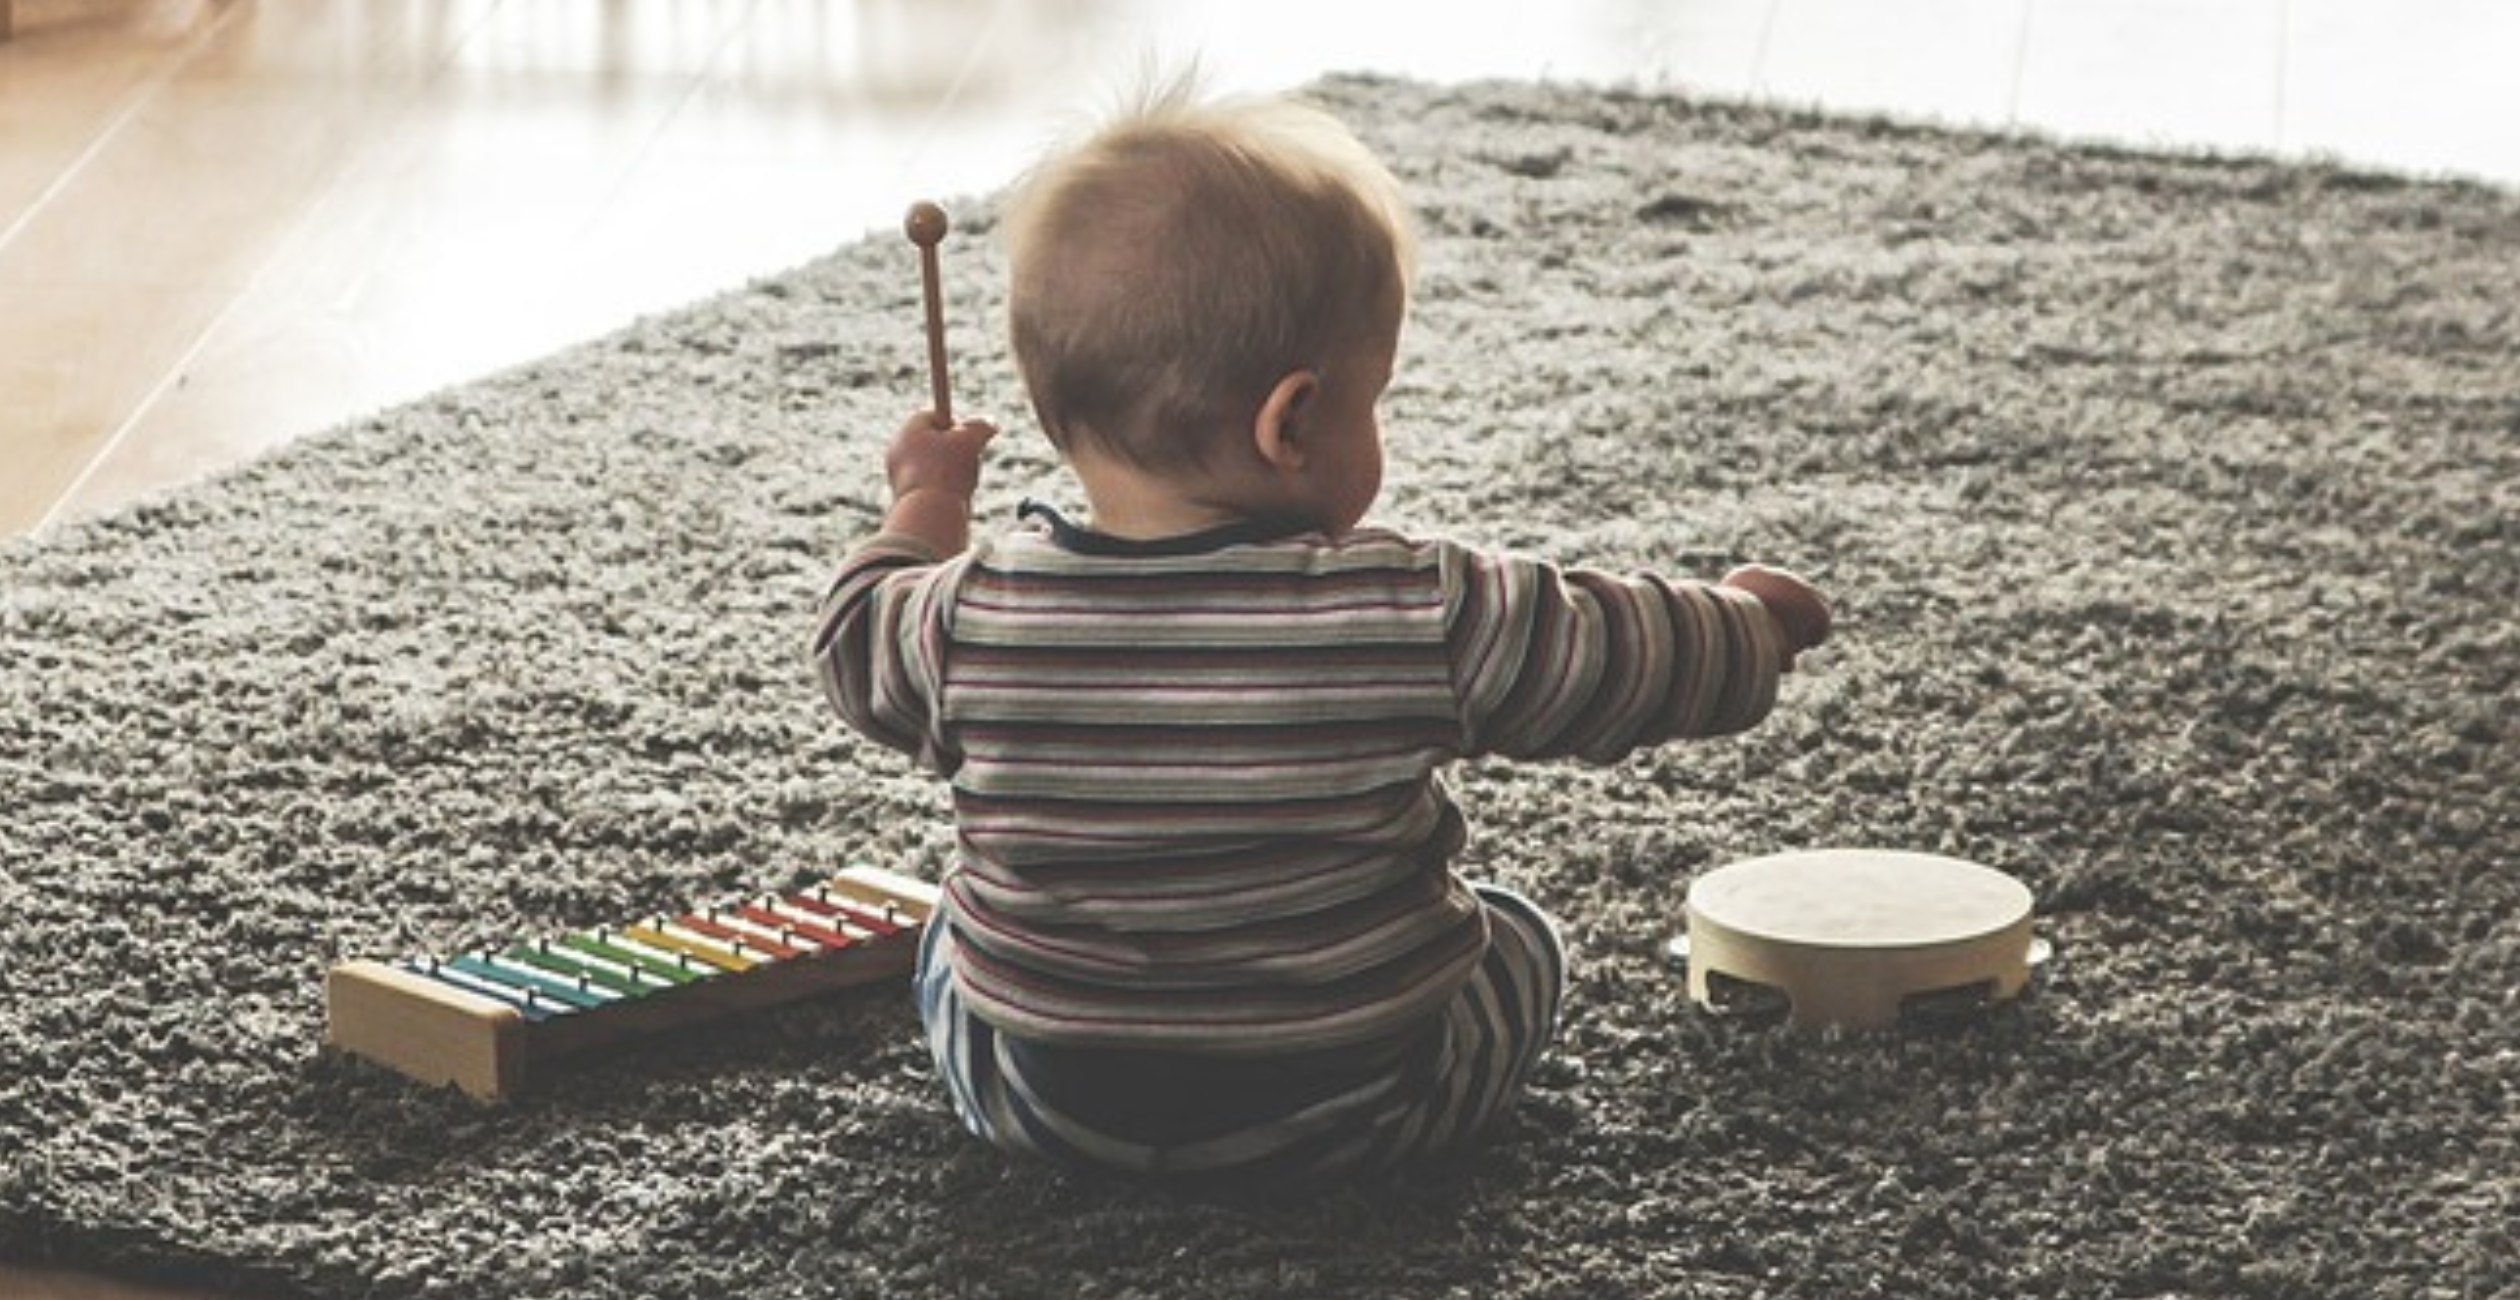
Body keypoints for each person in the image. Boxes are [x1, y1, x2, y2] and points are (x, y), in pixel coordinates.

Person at [813, 79, 1830, 1191]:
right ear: (1292, 422)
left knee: (947, 942)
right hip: (1358, 1108)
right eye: (1373, 398)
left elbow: (855, 637)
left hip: (1051, 1106)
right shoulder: (1413, 608)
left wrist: (925, 501)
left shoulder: (966, 617)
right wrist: (1752, 626)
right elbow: (1615, 652)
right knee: (1521, 936)